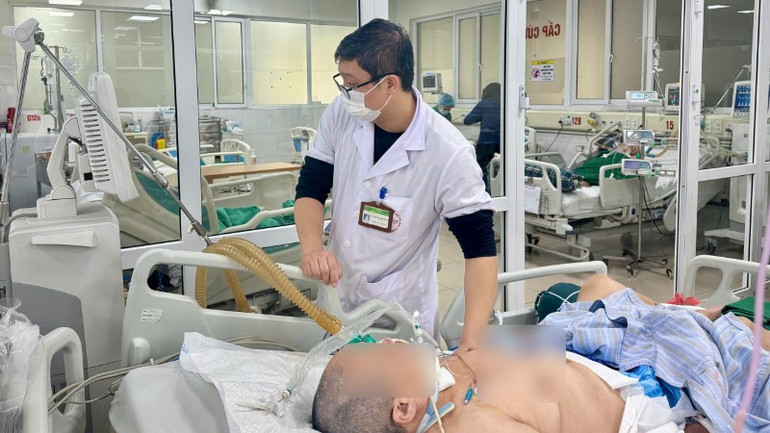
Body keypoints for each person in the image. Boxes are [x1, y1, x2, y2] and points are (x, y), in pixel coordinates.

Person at [312, 275, 770, 433]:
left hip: (581, 348)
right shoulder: (472, 425)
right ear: (404, 408)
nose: (389, 342)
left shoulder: (439, 372)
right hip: (640, 393)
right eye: (383, 356)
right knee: (740, 337)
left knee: (597, 285)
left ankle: (691, 316)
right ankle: (708, 324)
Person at [294, 19, 497, 350]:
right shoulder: (343, 114)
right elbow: (311, 187)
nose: (345, 93)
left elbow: (480, 250)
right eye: (342, 82)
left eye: (352, 84)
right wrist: (312, 248)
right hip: (336, 303)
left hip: (400, 318)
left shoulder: (448, 152)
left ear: (390, 83)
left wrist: (472, 343)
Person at [464, 83, 501, 193]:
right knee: (501, 170)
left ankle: (484, 194)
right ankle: (499, 193)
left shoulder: (484, 104)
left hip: (486, 144)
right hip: (504, 143)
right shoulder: (507, 103)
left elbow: (467, 120)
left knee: (483, 170)